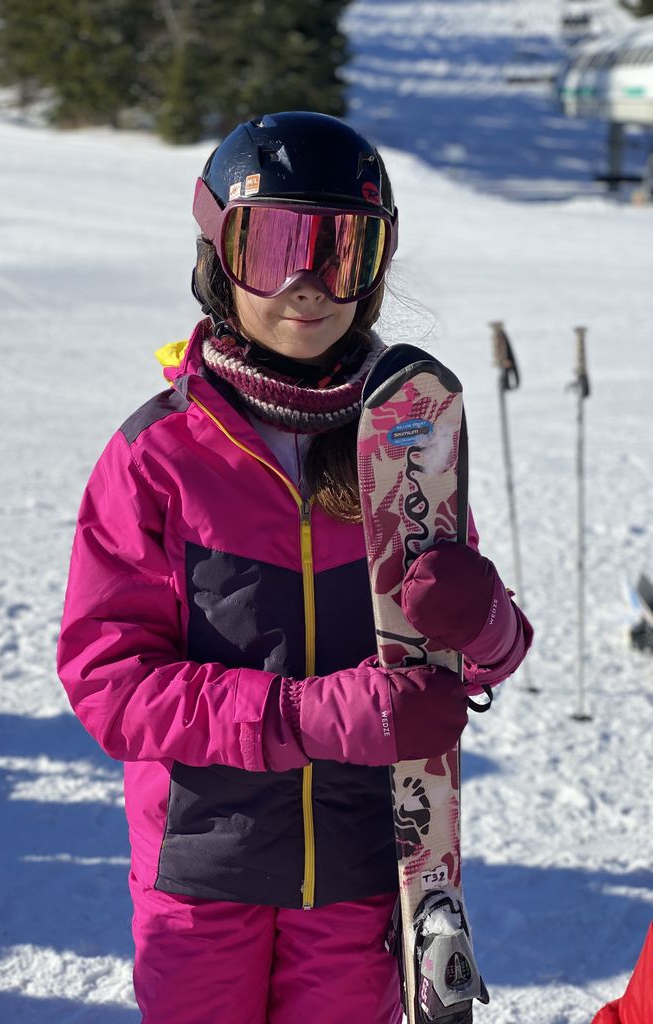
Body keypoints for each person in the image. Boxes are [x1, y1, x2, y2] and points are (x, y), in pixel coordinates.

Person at [56, 111, 533, 1024]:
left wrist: (487, 627)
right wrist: (312, 717)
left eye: (340, 252)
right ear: (217, 257)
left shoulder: (406, 445)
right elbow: (109, 684)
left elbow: (462, 665)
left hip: (364, 870)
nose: (306, 286)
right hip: (205, 868)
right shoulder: (159, 457)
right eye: (273, 247)